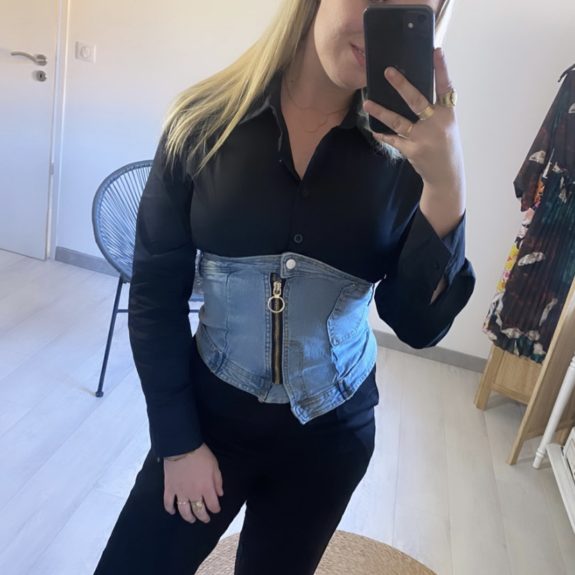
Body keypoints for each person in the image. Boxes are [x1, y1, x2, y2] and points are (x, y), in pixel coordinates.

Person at [94, 0, 475, 573]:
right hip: (206, 417)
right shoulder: (203, 124)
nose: (380, 21)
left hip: (332, 438)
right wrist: (177, 442)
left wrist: (447, 187)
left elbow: (418, 326)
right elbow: (155, 295)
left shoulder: (411, 160)